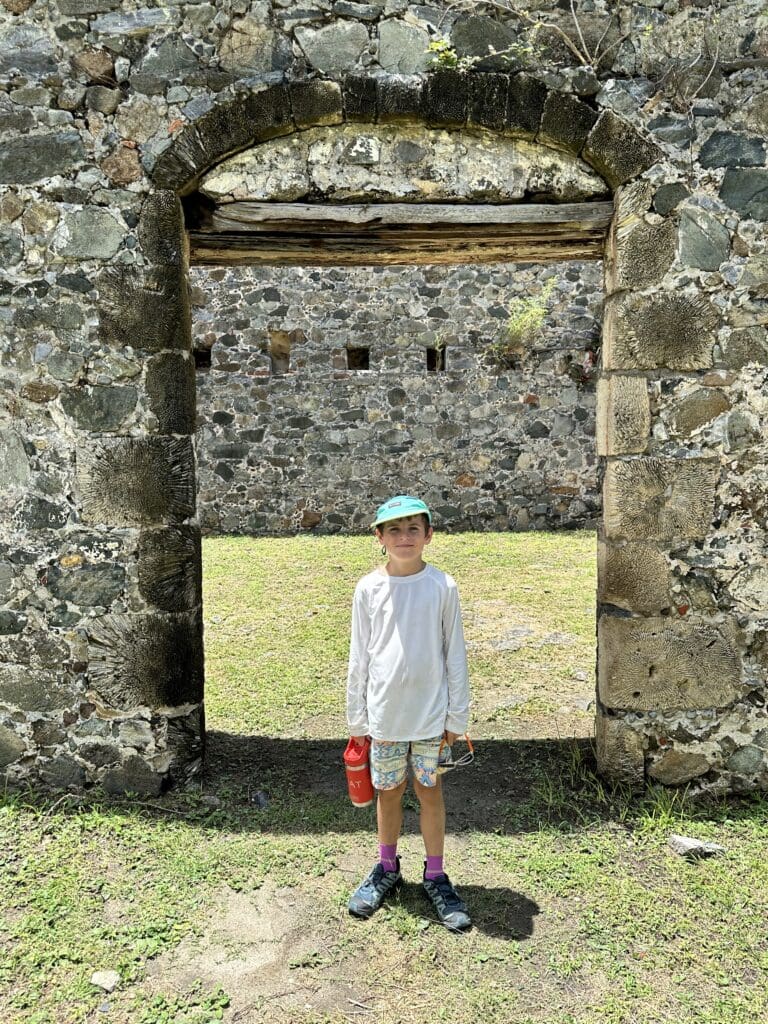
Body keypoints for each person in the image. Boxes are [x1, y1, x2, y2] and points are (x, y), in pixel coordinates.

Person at [346, 494, 472, 932]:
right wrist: (357, 719)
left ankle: (435, 874)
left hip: (430, 718)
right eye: (394, 530)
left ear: (429, 535)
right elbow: (359, 657)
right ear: (379, 537)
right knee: (389, 792)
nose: (404, 537)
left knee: (429, 791)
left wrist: (456, 718)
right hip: (384, 718)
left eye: (413, 529)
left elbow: (454, 653)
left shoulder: (442, 586)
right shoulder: (369, 588)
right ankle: (386, 866)